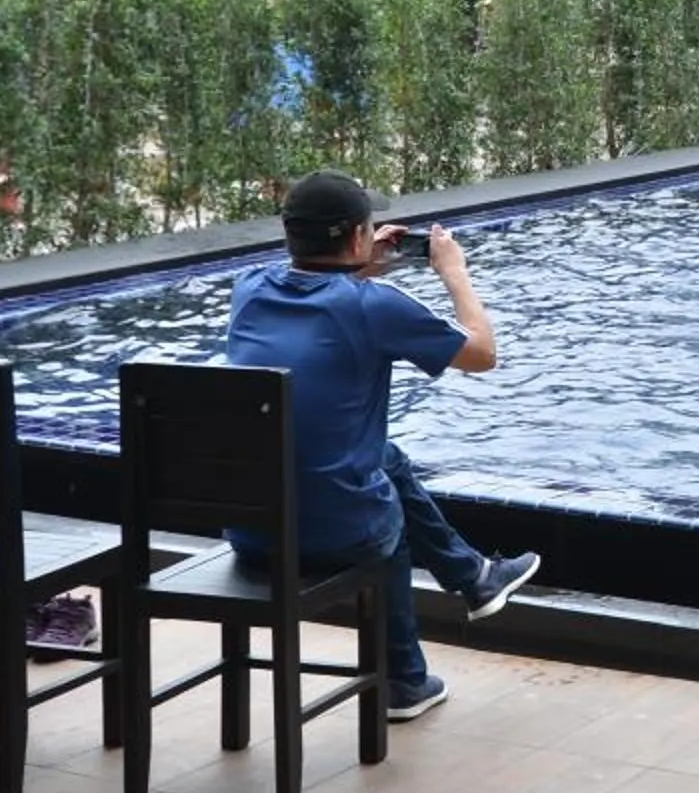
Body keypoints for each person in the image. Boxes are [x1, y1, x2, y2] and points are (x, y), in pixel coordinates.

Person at [222, 170, 541, 721]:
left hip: (250, 532)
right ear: (354, 236)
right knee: (380, 510)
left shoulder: (249, 289)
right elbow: (481, 354)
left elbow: (315, 286)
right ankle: (403, 682)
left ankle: (474, 577)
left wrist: (357, 260)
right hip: (332, 536)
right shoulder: (375, 305)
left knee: (384, 459)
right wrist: (454, 273)